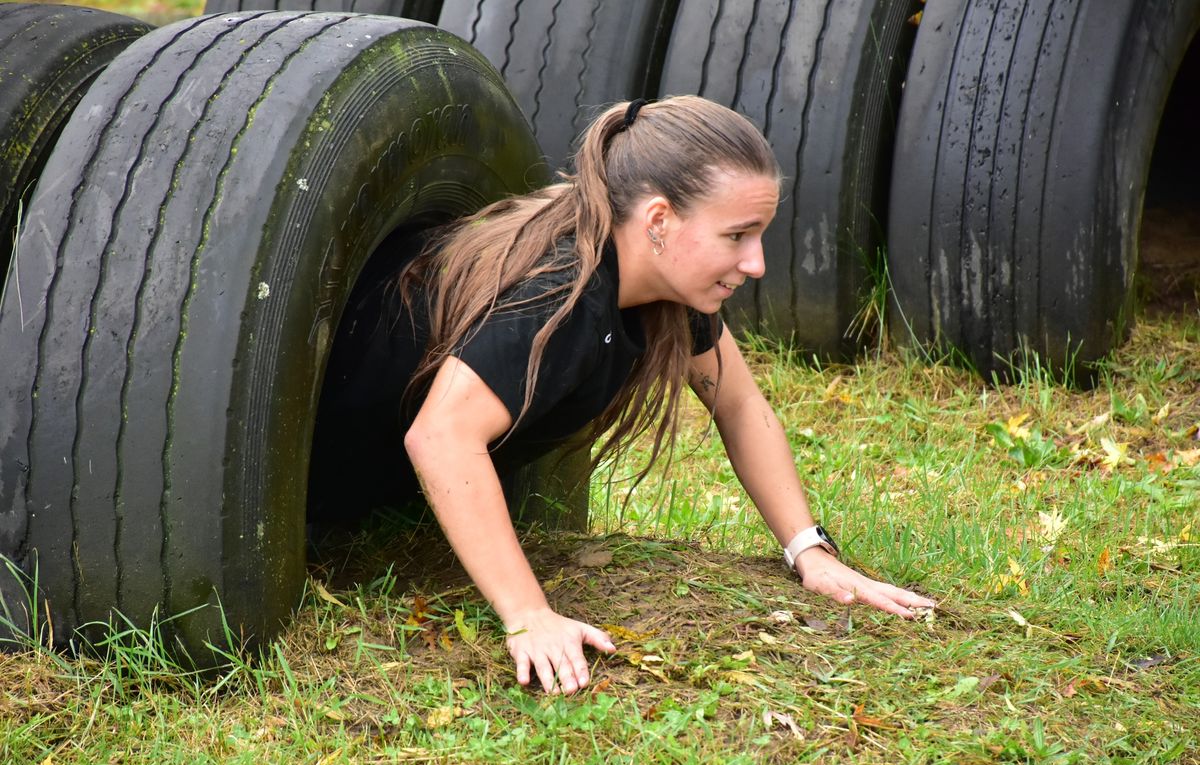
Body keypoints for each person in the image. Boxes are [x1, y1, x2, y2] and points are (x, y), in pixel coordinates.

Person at [312, 96, 935, 696]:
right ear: (659, 221)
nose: (757, 264)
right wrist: (529, 613)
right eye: (738, 235)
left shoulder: (665, 288)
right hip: (309, 481)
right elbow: (441, 436)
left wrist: (809, 551)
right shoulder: (559, 292)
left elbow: (740, 405)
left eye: (760, 235)